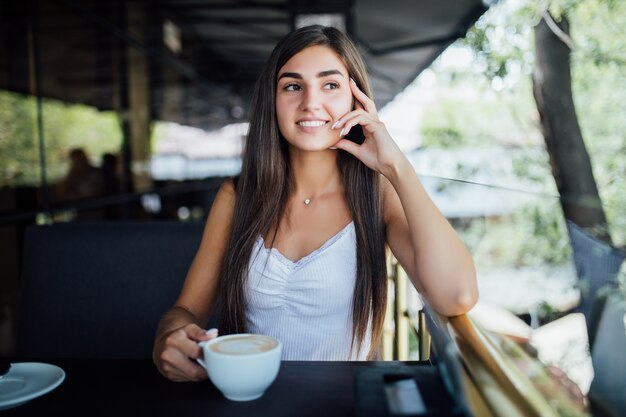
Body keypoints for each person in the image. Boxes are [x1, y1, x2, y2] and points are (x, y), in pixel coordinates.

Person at [153, 25, 478, 382]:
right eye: (293, 86)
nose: (310, 102)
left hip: (345, 403)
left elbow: (457, 296)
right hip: (250, 401)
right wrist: (169, 337)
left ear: (356, 99)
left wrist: (396, 166)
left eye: (331, 85)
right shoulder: (238, 195)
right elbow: (186, 310)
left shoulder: (377, 195)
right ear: (272, 101)